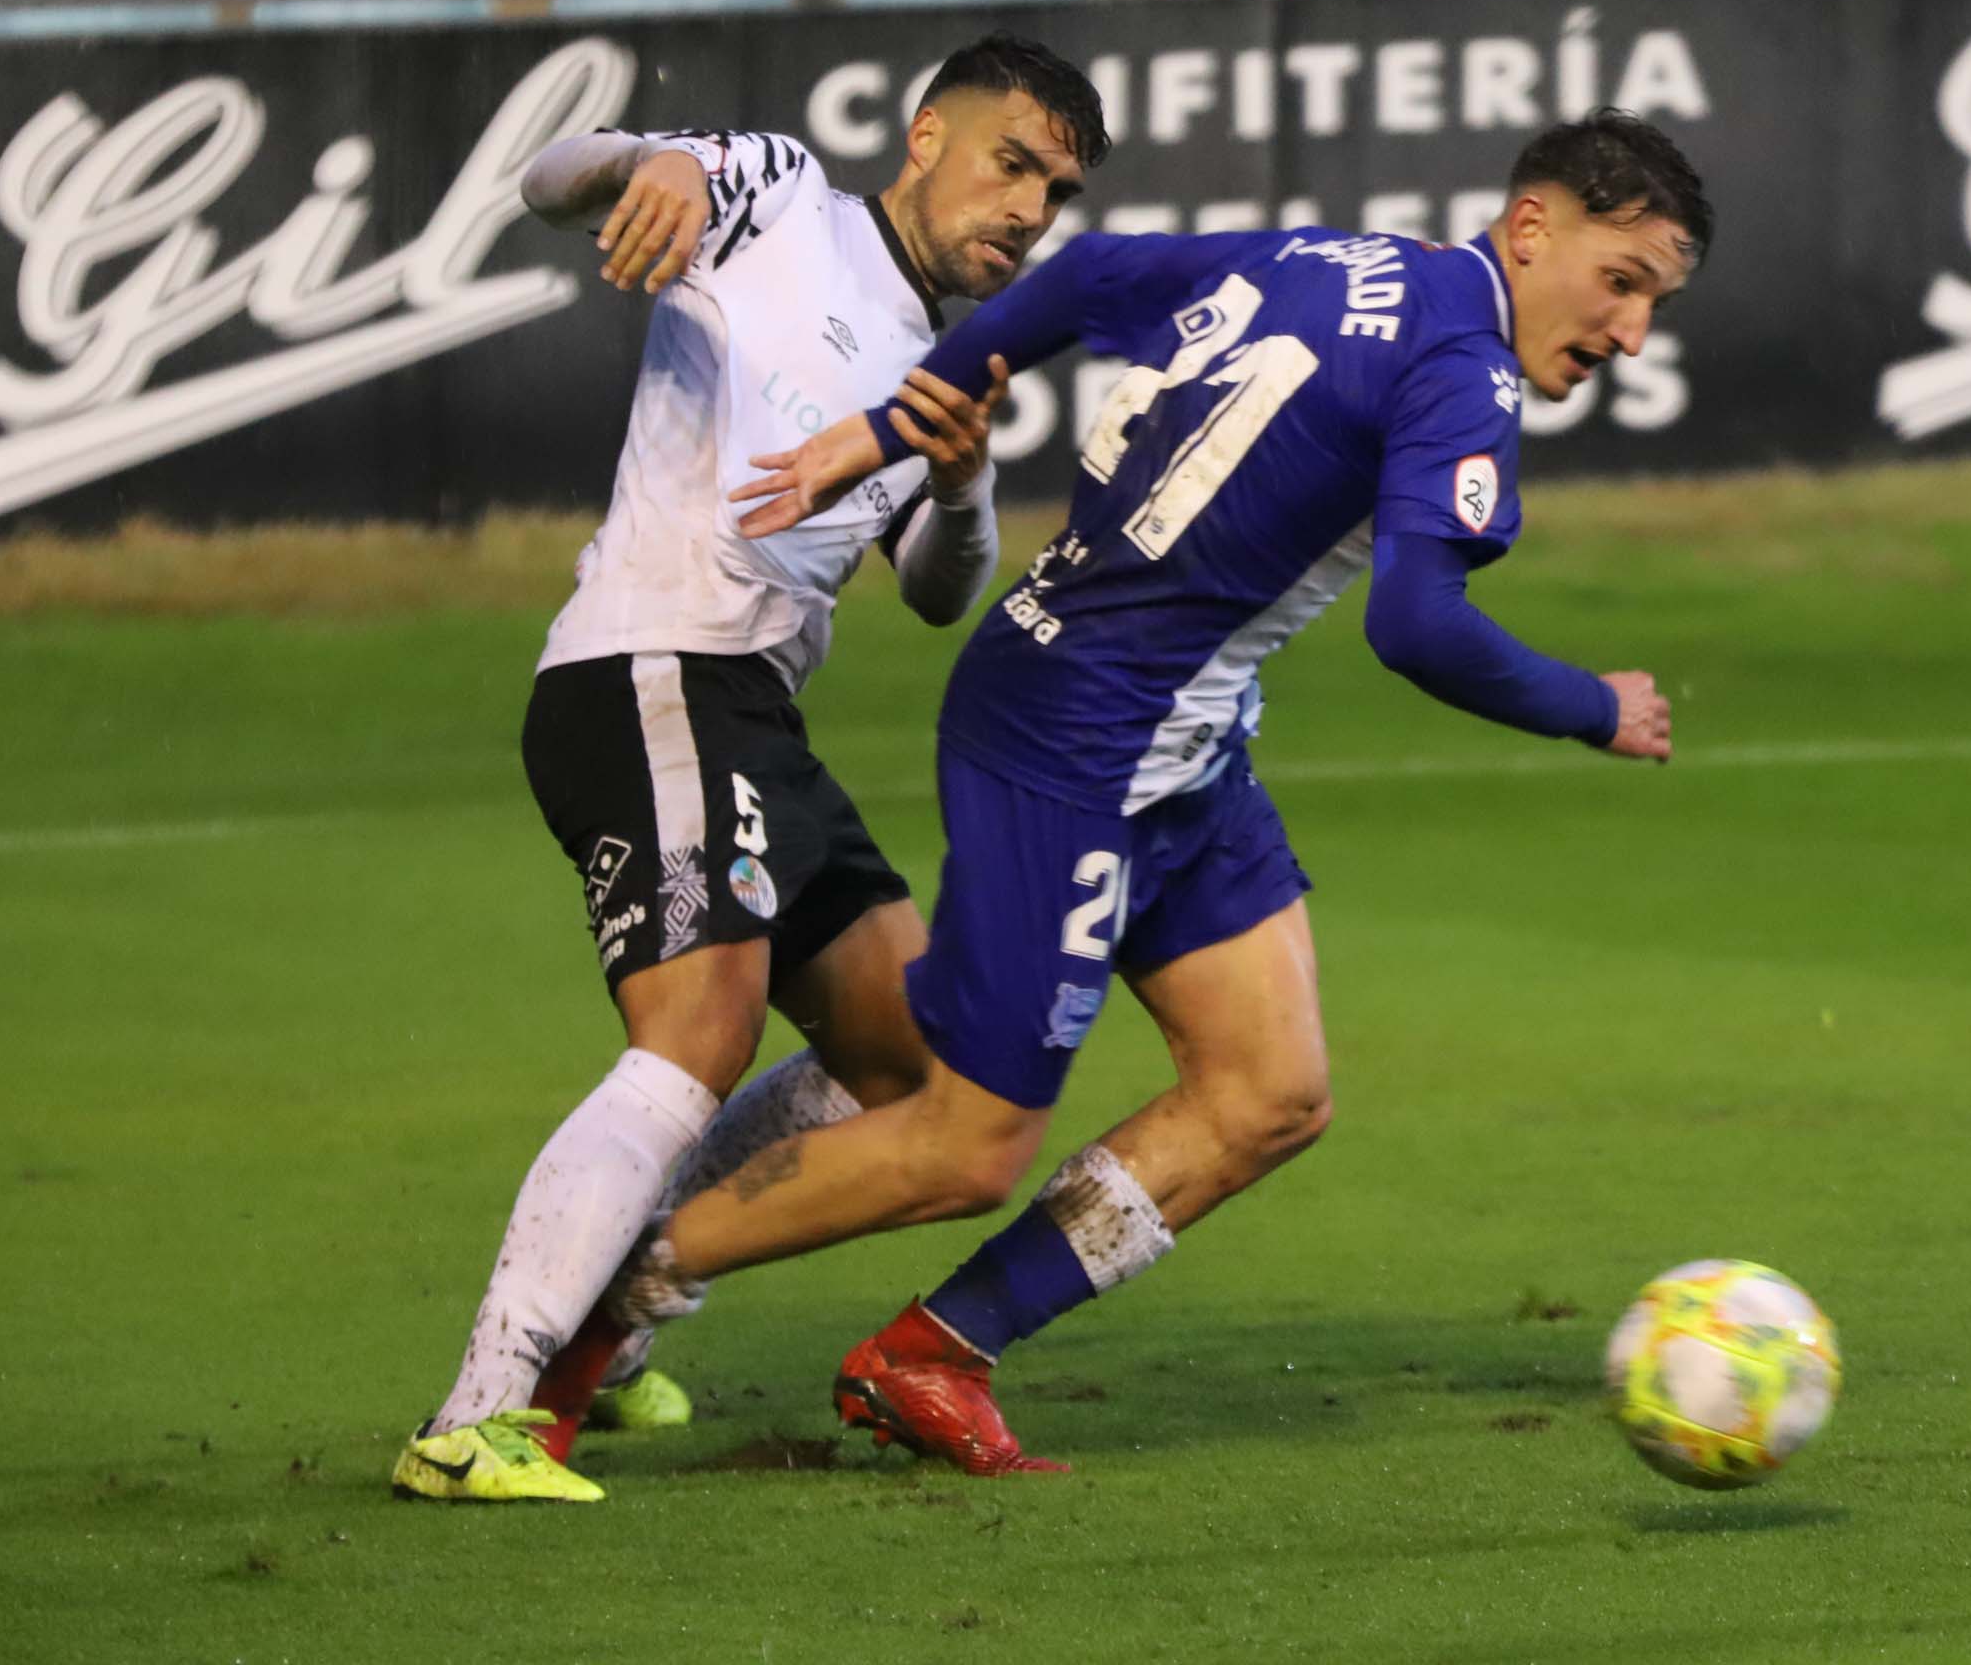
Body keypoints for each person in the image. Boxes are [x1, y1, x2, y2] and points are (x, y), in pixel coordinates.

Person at [587, 110, 1709, 1476]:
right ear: (1533, 228)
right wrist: (1596, 705)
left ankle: (933, 1352)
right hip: (1077, 741)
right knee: (965, 1143)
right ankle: (607, 1291)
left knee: (1270, 1090)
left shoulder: (1340, 259)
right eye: (1624, 278)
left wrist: (892, 422)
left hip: (1177, 747)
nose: (1632, 329)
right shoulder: (1458, 365)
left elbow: (1087, 274)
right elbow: (1418, 626)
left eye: (1656, 298)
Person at [392, 36, 1111, 1503]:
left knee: (910, 1057)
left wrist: (966, 483)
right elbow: (551, 179)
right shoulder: (786, 201)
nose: (1031, 209)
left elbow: (932, 589)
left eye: (1058, 189)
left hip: (755, 716)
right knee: (694, 1036)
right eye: (1013, 163)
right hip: (649, 671)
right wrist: (640, 164)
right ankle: (478, 1414)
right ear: (924, 138)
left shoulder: (952, 360)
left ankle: (624, 1298)